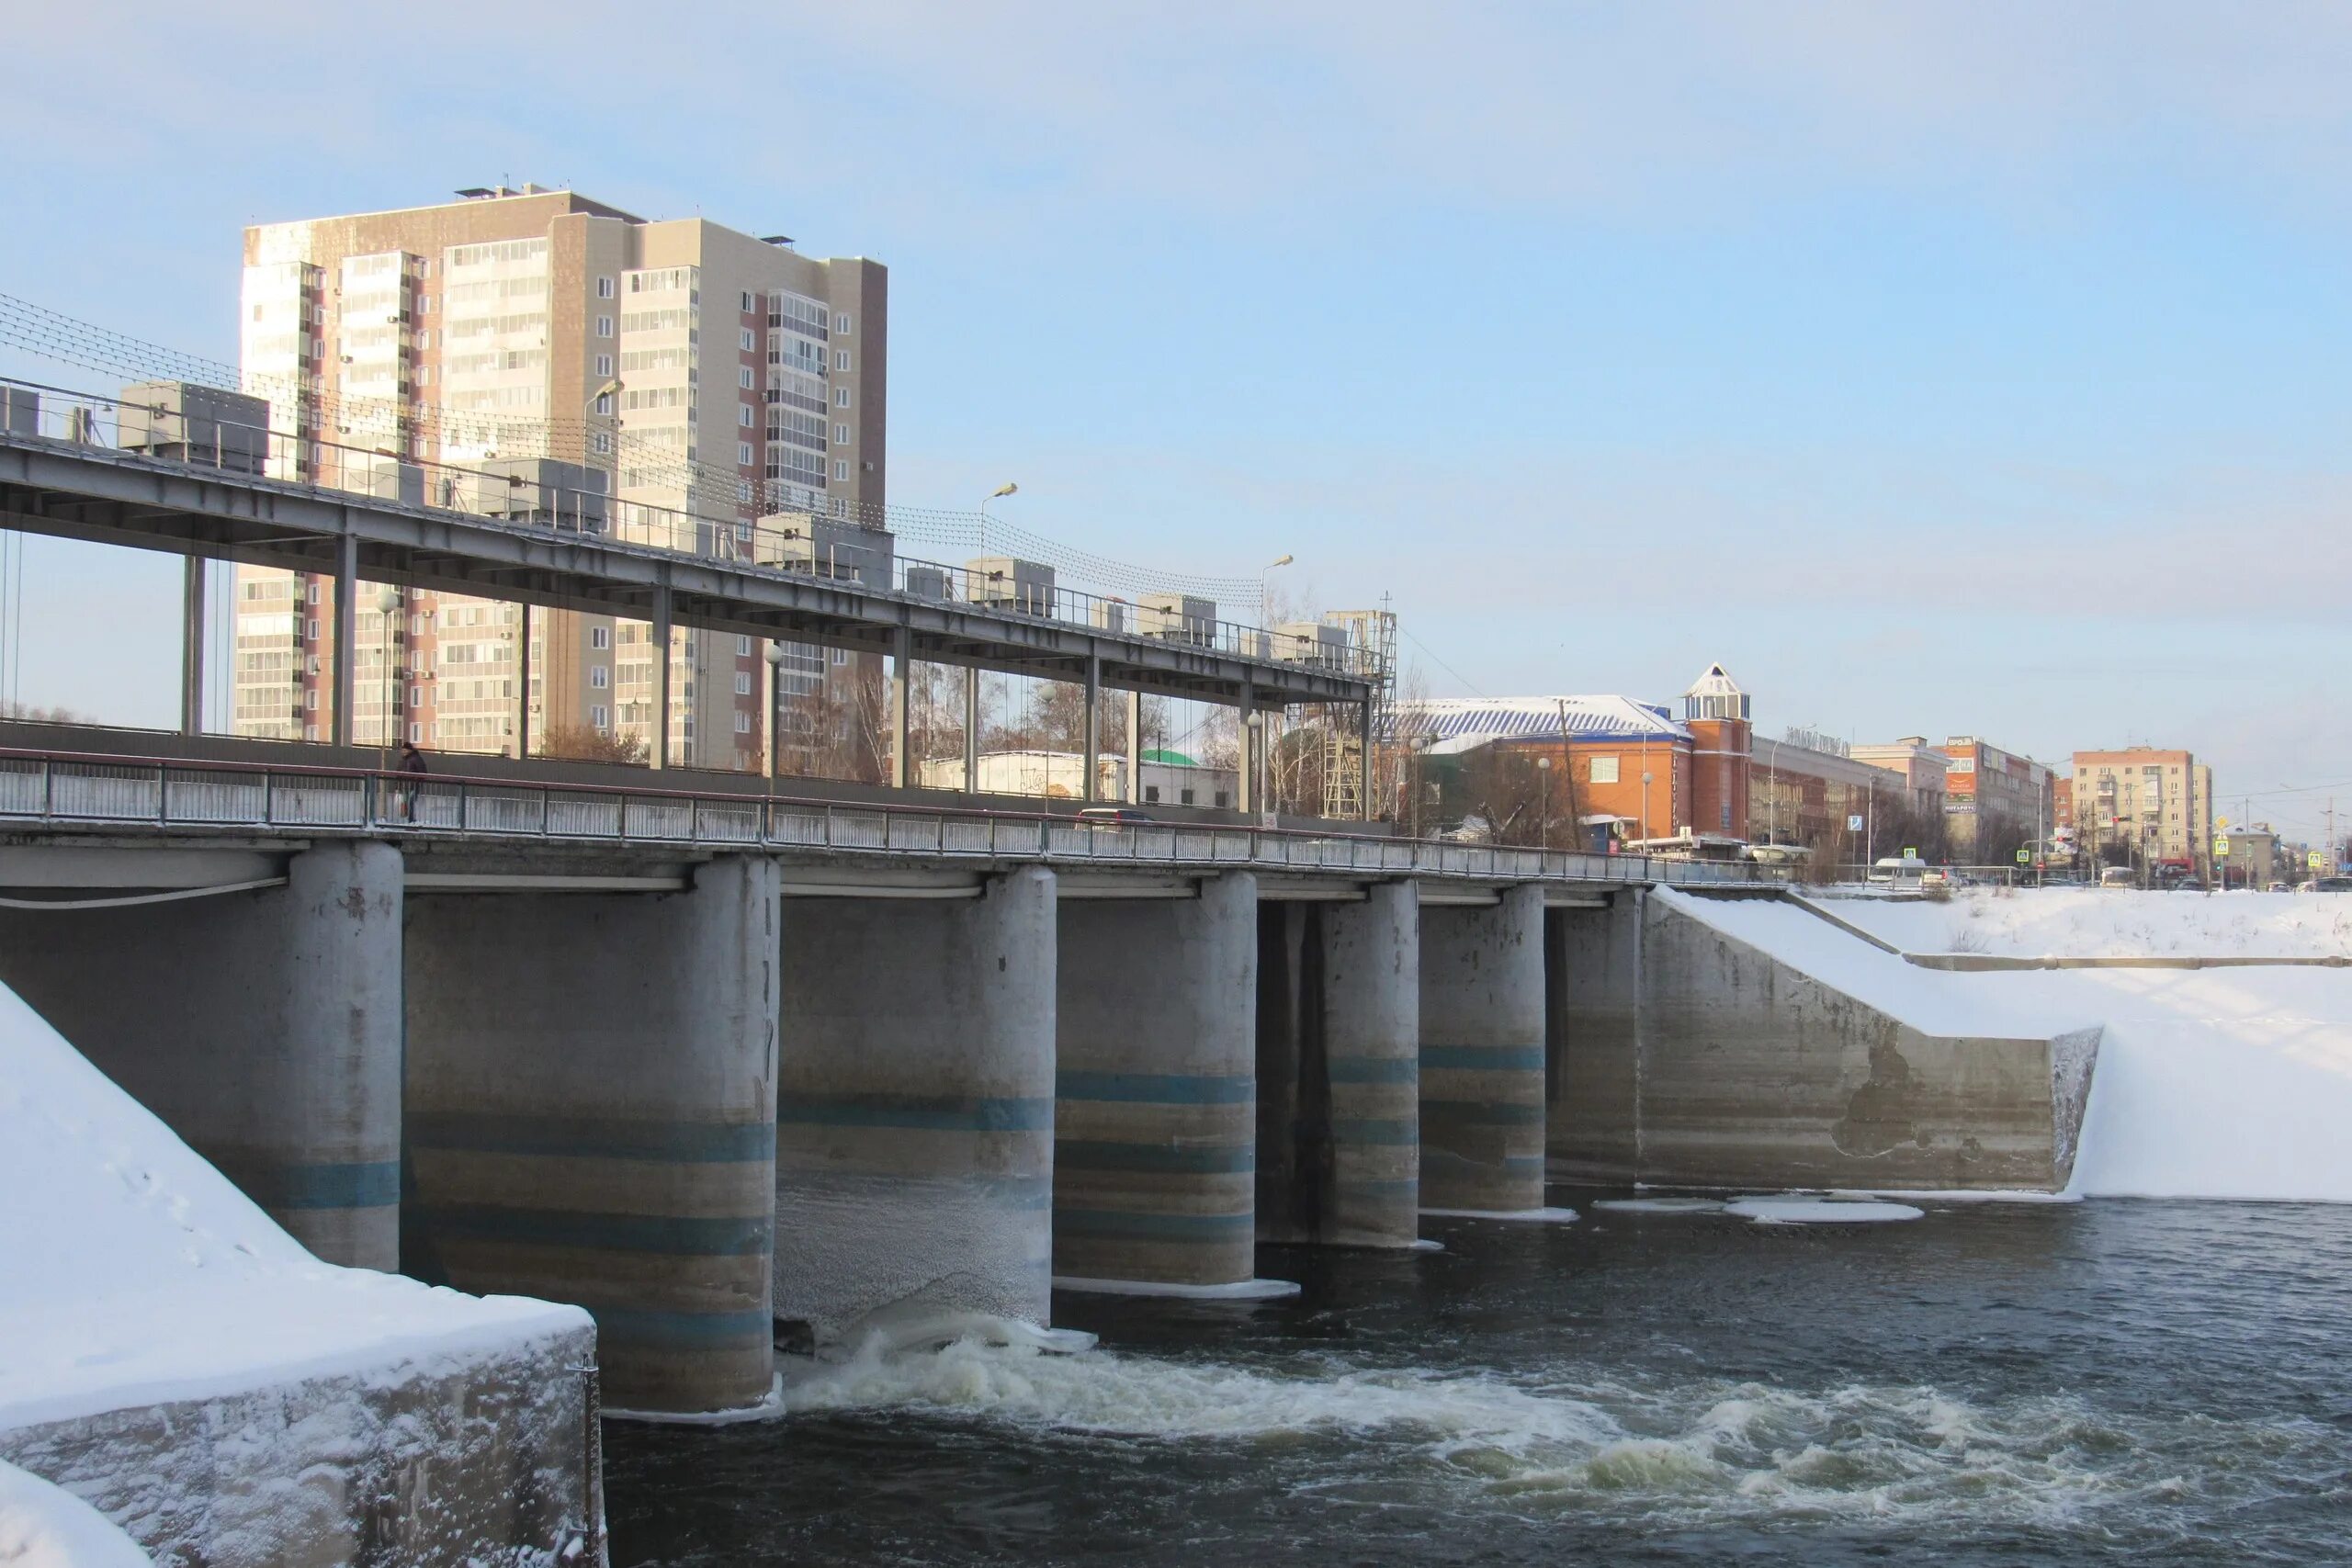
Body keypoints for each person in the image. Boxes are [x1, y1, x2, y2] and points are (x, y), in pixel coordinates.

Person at [396, 741, 427, 822]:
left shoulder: (416, 758)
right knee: (405, 803)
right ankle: (408, 820)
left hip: (413, 785)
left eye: (405, 750)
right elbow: (398, 773)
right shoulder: (402, 760)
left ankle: (411, 820)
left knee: (411, 802)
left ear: (410, 750)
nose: (403, 752)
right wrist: (397, 786)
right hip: (404, 786)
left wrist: (418, 781)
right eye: (402, 750)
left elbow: (423, 771)